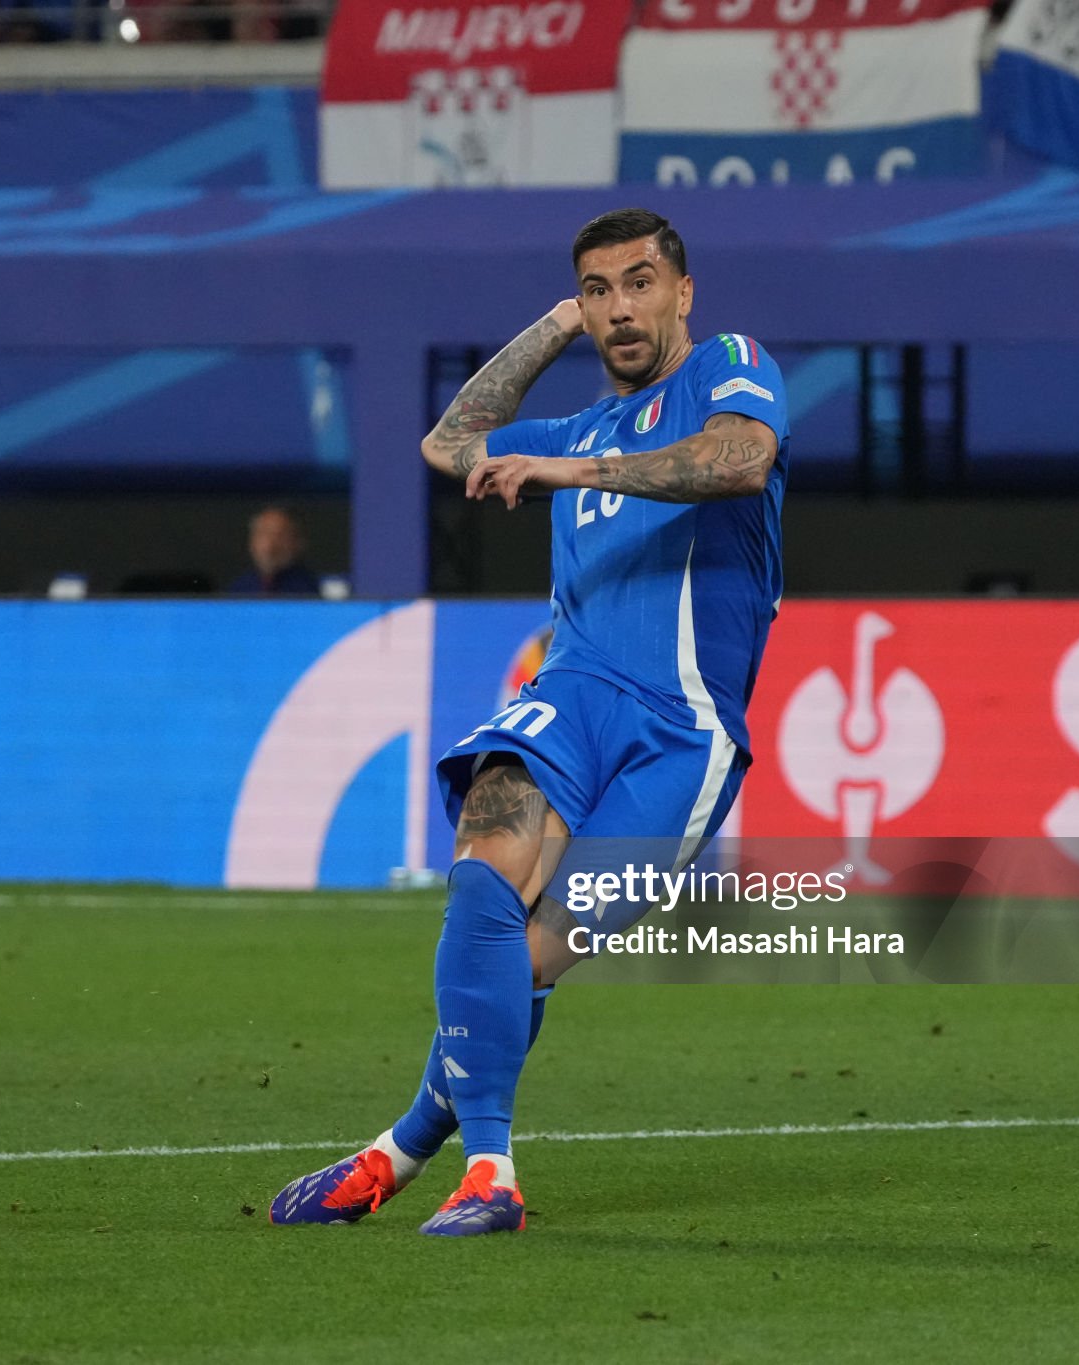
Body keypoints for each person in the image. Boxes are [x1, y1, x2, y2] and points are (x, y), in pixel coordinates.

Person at [268, 208, 790, 1236]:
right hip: (570, 700)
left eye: (640, 283)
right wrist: (550, 330)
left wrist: (569, 471)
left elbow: (736, 459)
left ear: (682, 291)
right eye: (599, 290)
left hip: (681, 734)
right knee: (478, 878)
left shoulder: (725, 364)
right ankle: (492, 1176)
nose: (621, 308)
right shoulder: (576, 419)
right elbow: (447, 441)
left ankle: (399, 1150)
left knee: (531, 958)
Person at [227, 504, 320, 596]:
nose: (270, 546)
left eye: (280, 536)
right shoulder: (239, 588)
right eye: (262, 534)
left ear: (298, 542)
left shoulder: (313, 589)